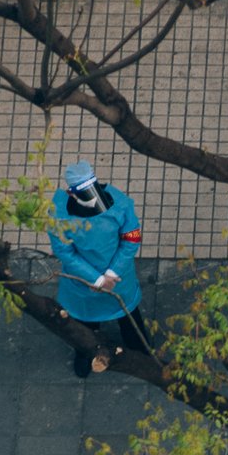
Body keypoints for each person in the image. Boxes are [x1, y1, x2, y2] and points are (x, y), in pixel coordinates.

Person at [48, 160, 150, 377]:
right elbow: (65, 252)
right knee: (85, 322)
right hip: (87, 281)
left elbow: (131, 239)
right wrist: (99, 280)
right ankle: (86, 353)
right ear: (71, 193)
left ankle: (141, 349)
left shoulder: (121, 204)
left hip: (115, 276)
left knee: (128, 316)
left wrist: (110, 274)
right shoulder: (58, 216)